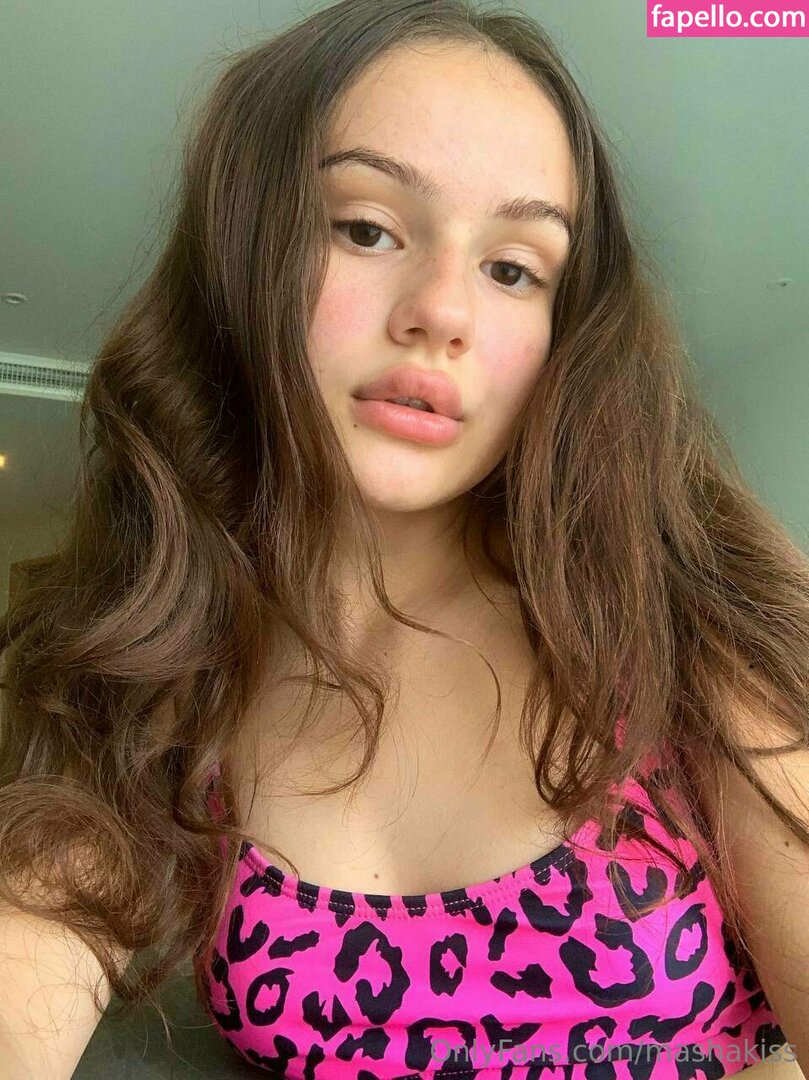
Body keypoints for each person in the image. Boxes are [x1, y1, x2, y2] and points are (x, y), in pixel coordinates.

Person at [1, 1, 807, 1077]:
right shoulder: (158, 669)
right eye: (365, 228)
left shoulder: (687, 613)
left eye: (512, 269)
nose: (442, 312)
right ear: (241, 257)